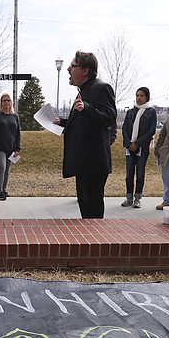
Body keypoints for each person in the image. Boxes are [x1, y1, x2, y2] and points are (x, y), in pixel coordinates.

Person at [52, 51, 117, 218]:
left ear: (85, 70)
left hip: (93, 164)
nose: (68, 69)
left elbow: (109, 118)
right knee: (85, 210)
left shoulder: (101, 88)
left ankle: (95, 244)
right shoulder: (83, 91)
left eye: (72, 66)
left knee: (92, 213)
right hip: (84, 163)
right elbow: (85, 121)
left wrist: (87, 108)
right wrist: (64, 121)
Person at [121, 86, 157, 208]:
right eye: (137, 95)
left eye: (141, 95)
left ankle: (137, 198)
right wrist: (129, 143)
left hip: (142, 147)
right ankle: (129, 197)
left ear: (147, 97)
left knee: (140, 173)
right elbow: (125, 128)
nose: (139, 98)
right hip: (129, 147)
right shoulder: (130, 112)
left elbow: (151, 130)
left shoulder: (150, 112)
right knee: (129, 174)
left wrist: (138, 143)